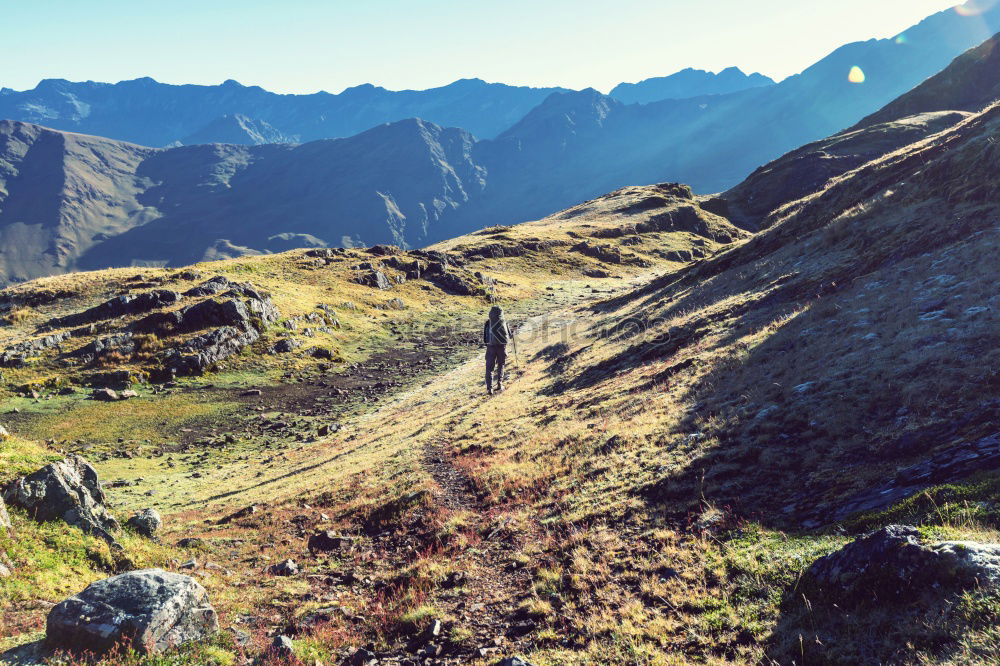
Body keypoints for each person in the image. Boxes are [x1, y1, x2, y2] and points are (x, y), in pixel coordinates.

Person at [483, 305, 512, 394]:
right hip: (501, 347)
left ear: (490, 314)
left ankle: (489, 388)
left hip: (491, 347)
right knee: (501, 365)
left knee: (489, 368)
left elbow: (485, 338)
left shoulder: (488, 323)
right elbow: (509, 336)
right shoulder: (504, 322)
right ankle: (500, 383)